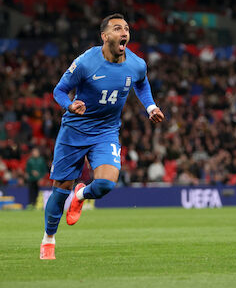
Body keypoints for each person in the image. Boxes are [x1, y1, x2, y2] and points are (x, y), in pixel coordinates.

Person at [40, 13, 165, 260]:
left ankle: (81, 195)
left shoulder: (137, 64)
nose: (124, 33)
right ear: (104, 36)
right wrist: (69, 105)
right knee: (61, 188)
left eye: (127, 29)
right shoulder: (86, 62)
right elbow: (60, 90)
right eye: (118, 28)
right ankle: (49, 239)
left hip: (106, 130)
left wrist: (150, 107)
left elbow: (141, 83)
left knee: (106, 183)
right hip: (75, 130)